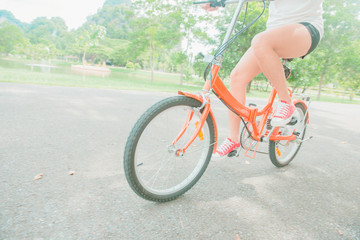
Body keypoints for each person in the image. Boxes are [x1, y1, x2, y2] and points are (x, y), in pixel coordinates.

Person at [202, 0, 324, 158]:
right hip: (272, 35)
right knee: (237, 77)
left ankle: (285, 102)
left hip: (305, 29)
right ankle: (233, 139)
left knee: (260, 40)